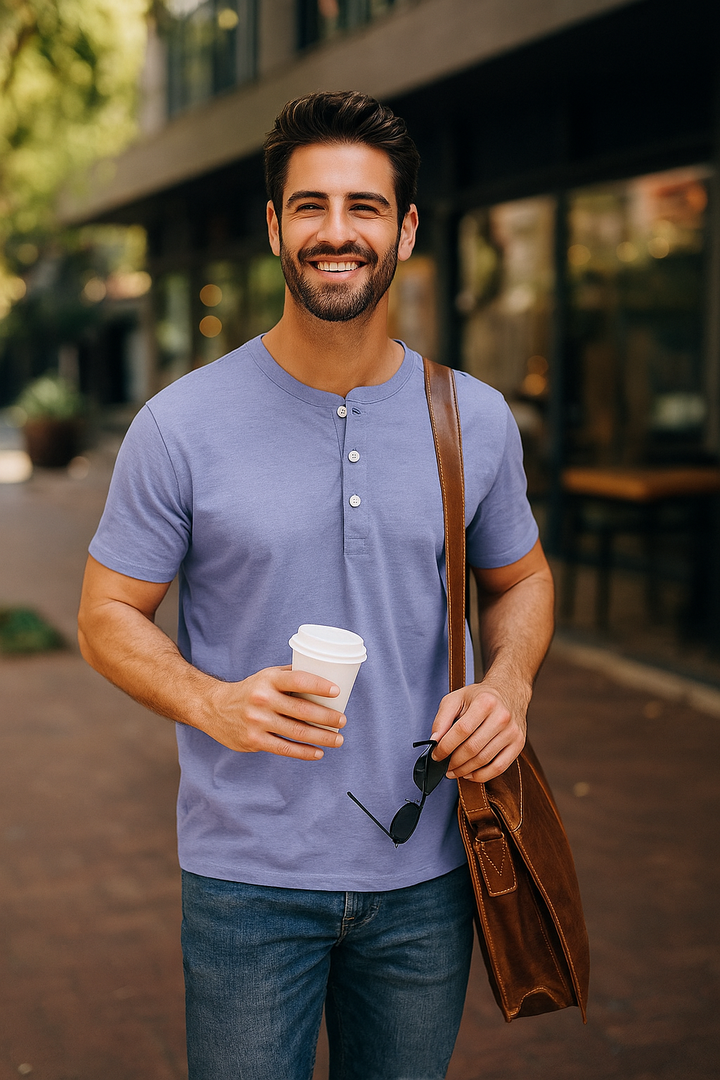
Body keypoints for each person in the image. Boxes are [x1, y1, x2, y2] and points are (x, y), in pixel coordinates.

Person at [78, 91, 554, 1080]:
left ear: (406, 228)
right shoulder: (180, 425)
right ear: (274, 227)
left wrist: (508, 688)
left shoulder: (474, 418)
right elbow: (106, 615)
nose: (337, 232)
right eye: (310, 206)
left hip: (428, 871)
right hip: (245, 879)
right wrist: (211, 700)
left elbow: (524, 580)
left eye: (365, 206)